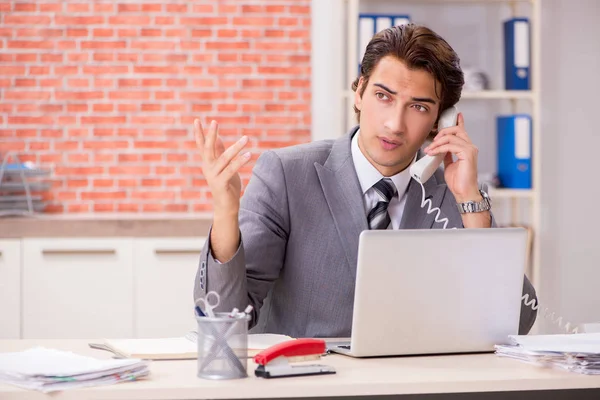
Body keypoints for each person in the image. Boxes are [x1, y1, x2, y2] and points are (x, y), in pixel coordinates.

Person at [193, 24, 537, 337]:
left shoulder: (458, 192)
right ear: (359, 92)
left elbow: (516, 321)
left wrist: (469, 202)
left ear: (439, 121)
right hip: (313, 383)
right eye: (383, 97)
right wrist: (225, 212)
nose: (394, 124)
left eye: (418, 107)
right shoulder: (286, 174)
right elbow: (223, 315)